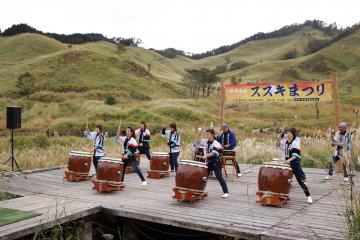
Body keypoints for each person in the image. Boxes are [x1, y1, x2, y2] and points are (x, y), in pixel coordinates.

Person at [283, 128, 312, 203]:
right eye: (287, 133)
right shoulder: (285, 142)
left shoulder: (294, 143)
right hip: (287, 163)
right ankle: (283, 194)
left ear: (293, 135)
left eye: (290, 133)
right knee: (282, 178)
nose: (288, 134)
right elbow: (285, 153)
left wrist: (288, 160)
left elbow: (296, 155)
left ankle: (308, 196)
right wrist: (284, 160)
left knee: (300, 181)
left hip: (294, 163)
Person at [200, 128, 229, 198]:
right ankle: (199, 190)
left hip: (216, 162)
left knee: (219, 177)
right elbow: (197, 142)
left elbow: (214, 153)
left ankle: (226, 192)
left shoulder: (216, 143)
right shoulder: (205, 141)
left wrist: (206, 155)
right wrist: (199, 134)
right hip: (208, 162)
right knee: (204, 177)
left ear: (212, 135)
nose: (207, 135)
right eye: (206, 134)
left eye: (208, 134)